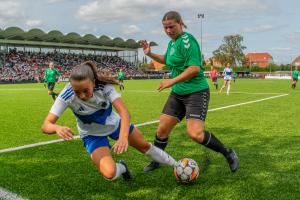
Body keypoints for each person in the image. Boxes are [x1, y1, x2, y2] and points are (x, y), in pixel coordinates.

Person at [41, 61, 177, 181]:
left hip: (115, 125)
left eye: (85, 91)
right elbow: (46, 125)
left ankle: (177, 165)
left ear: (93, 83)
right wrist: (56, 128)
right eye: (77, 92)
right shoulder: (67, 95)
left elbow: (124, 112)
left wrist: (123, 138)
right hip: (91, 135)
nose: (82, 96)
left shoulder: (104, 88)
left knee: (144, 146)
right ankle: (122, 167)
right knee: (110, 173)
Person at [140, 11, 238, 173]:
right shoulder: (173, 43)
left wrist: (171, 81)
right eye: (165, 28)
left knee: (195, 134)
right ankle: (157, 160)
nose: (169, 30)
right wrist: (149, 53)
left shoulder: (187, 41)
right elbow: (167, 60)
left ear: (180, 23)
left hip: (196, 92)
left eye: (171, 26)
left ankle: (228, 153)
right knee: (162, 129)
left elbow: (194, 68)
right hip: (178, 93)